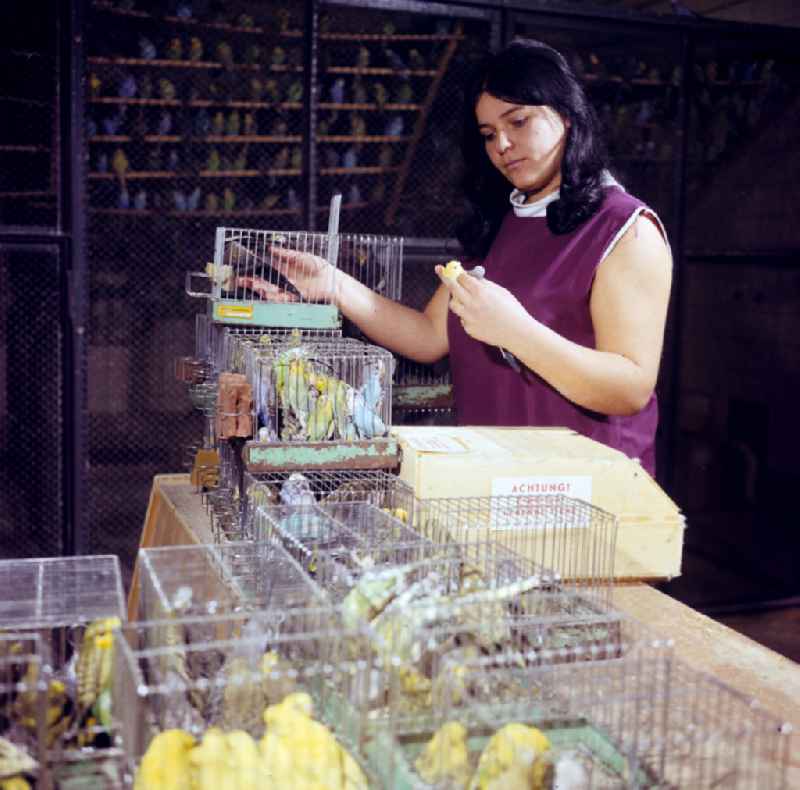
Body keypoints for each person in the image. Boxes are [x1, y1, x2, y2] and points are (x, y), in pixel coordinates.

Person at [269, 38, 673, 475]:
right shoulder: (505, 222)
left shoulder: (625, 229)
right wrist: (335, 284)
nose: (502, 143)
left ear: (568, 117)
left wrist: (515, 332)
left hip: (588, 490)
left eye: (518, 122)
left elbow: (630, 387)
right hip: (493, 482)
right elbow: (428, 336)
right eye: (488, 134)